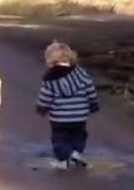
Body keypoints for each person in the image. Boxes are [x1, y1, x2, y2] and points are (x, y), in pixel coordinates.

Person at [35, 41, 99, 170]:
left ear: (49, 59)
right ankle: (76, 152)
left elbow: (45, 96)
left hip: (60, 118)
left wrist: (42, 107)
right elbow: (90, 88)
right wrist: (93, 103)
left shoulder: (50, 78)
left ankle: (64, 159)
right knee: (79, 136)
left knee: (59, 139)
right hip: (80, 116)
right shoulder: (81, 73)